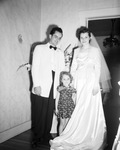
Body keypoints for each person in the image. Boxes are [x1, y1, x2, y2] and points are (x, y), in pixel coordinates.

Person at [50, 26, 111, 150]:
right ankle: (77, 131)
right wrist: (71, 83)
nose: (83, 39)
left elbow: (98, 68)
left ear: (89, 38)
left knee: (88, 107)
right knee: (78, 106)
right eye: (81, 37)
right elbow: (73, 68)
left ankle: (89, 132)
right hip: (78, 81)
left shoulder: (94, 50)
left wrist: (95, 85)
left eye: (86, 37)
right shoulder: (76, 50)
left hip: (90, 82)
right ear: (79, 38)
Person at [31, 26, 66, 148]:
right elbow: (35, 67)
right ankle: (36, 138)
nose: (57, 40)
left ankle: (45, 136)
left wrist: (62, 88)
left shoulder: (60, 53)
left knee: (49, 114)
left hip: (54, 86)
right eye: (56, 36)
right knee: (38, 113)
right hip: (41, 85)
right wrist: (36, 85)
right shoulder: (39, 48)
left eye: (59, 38)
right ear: (50, 36)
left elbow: (62, 71)